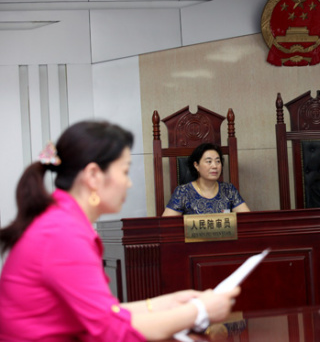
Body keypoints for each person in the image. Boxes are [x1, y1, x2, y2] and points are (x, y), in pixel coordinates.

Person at [0, 121, 240, 341]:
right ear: (93, 175)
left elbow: (105, 313)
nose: (129, 182)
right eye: (124, 171)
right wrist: (198, 311)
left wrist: (169, 303)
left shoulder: (63, 222)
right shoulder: (62, 234)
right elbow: (111, 330)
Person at [162, 143, 250, 216]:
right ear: (196, 165)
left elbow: (247, 220)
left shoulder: (229, 190)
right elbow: (166, 225)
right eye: (209, 161)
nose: (215, 166)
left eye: (218, 161)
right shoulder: (183, 192)